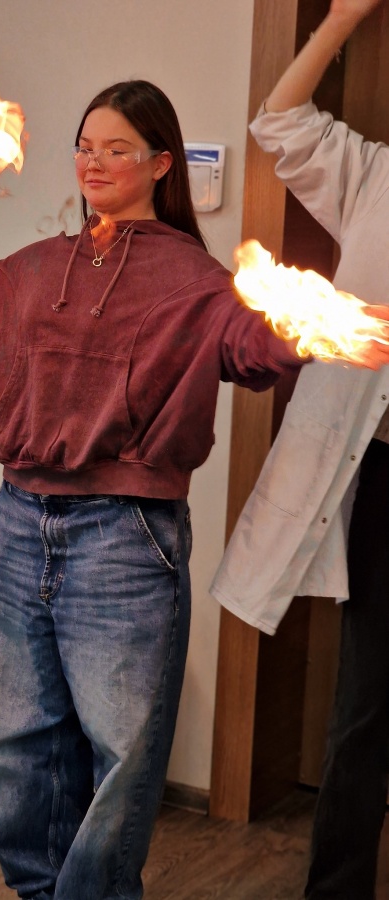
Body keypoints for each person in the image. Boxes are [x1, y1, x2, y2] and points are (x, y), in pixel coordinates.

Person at [0, 79, 380, 900]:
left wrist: (329, 328)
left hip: (125, 540)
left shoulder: (197, 283)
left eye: (117, 148)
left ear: (160, 164)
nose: (95, 162)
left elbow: (253, 344)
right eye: (85, 146)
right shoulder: (35, 268)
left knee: (118, 762)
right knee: (19, 750)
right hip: (20, 526)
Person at [210, 1, 389, 897]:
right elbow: (278, 119)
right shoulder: (374, 178)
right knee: (363, 709)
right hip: (382, 480)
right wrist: (341, 20)